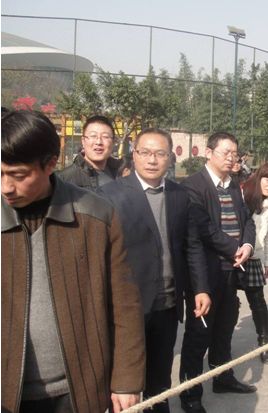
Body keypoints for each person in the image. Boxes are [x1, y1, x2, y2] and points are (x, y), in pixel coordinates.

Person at [1, 110, 145, 413]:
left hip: (76, 390)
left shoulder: (96, 215)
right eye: (0, 173)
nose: (6, 187)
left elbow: (125, 305)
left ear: (50, 164)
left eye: (18, 175)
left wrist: (127, 381)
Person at [97, 128, 210, 413]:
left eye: (160, 154)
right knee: (125, 381)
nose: (152, 160)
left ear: (170, 157)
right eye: (145, 152)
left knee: (160, 377)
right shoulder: (110, 195)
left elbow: (192, 245)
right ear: (134, 155)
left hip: (167, 305)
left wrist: (201, 288)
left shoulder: (179, 195)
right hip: (128, 307)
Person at [179, 132, 256, 413]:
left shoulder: (234, 185)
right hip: (205, 272)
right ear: (209, 153)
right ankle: (190, 393)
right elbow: (203, 228)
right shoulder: (192, 186)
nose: (231, 158)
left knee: (224, 328)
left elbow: (247, 220)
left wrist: (247, 245)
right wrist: (234, 248)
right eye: (225, 152)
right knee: (199, 333)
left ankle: (223, 377)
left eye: (234, 153)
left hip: (232, 270)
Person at [241, 163, 268, 364]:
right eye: (267, 179)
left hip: (254, 257)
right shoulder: (243, 196)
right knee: (226, 304)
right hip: (233, 256)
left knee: (258, 302)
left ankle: (264, 343)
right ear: (258, 178)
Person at [58, 115, 120, 190]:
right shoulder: (66, 178)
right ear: (83, 141)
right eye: (93, 136)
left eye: (105, 137)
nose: (99, 142)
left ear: (113, 143)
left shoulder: (121, 173)